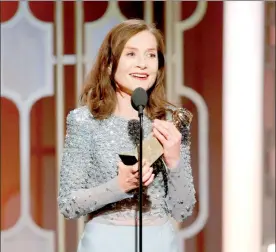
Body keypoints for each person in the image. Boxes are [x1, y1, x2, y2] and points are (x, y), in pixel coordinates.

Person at [57, 19, 196, 252]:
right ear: (110, 63)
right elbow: (68, 204)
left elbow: (183, 209)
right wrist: (119, 185)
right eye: (131, 54)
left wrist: (174, 162)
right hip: (105, 242)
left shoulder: (170, 122)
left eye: (151, 55)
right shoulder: (85, 121)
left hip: (159, 242)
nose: (143, 64)